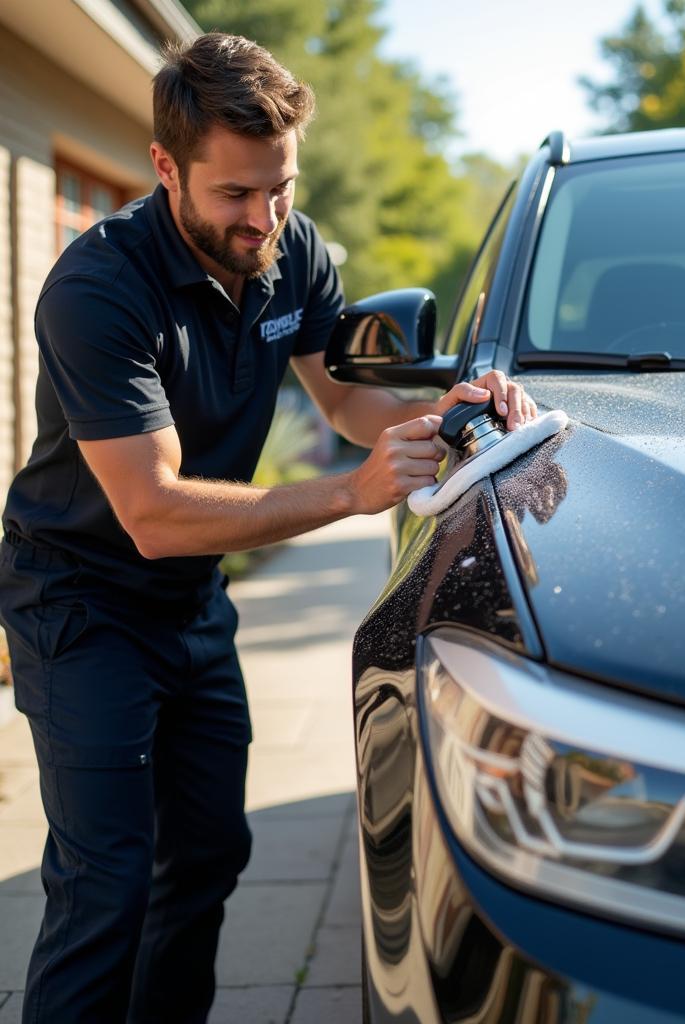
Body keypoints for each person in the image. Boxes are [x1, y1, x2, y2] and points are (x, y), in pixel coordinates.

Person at [0, 31, 535, 1024]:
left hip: (190, 597)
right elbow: (154, 512)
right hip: (78, 599)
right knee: (105, 881)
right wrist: (347, 495)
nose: (265, 219)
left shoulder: (293, 251)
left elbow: (345, 408)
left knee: (205, 856)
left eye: (280, 187)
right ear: (166, 168)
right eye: (236, 195)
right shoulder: (95, 290)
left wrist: (454, 419)